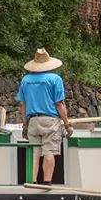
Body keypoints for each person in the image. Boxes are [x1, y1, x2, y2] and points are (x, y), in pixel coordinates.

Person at [17, 48, 72, 186]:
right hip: (50, 120)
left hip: (32, 120)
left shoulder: (26, 80)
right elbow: (59, 103)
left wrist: (25, 123)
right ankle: (47, 182)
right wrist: (67, 123)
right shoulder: (55, 79)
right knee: (49, 150)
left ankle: (33, 181)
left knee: (34, 152)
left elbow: (22, 104)